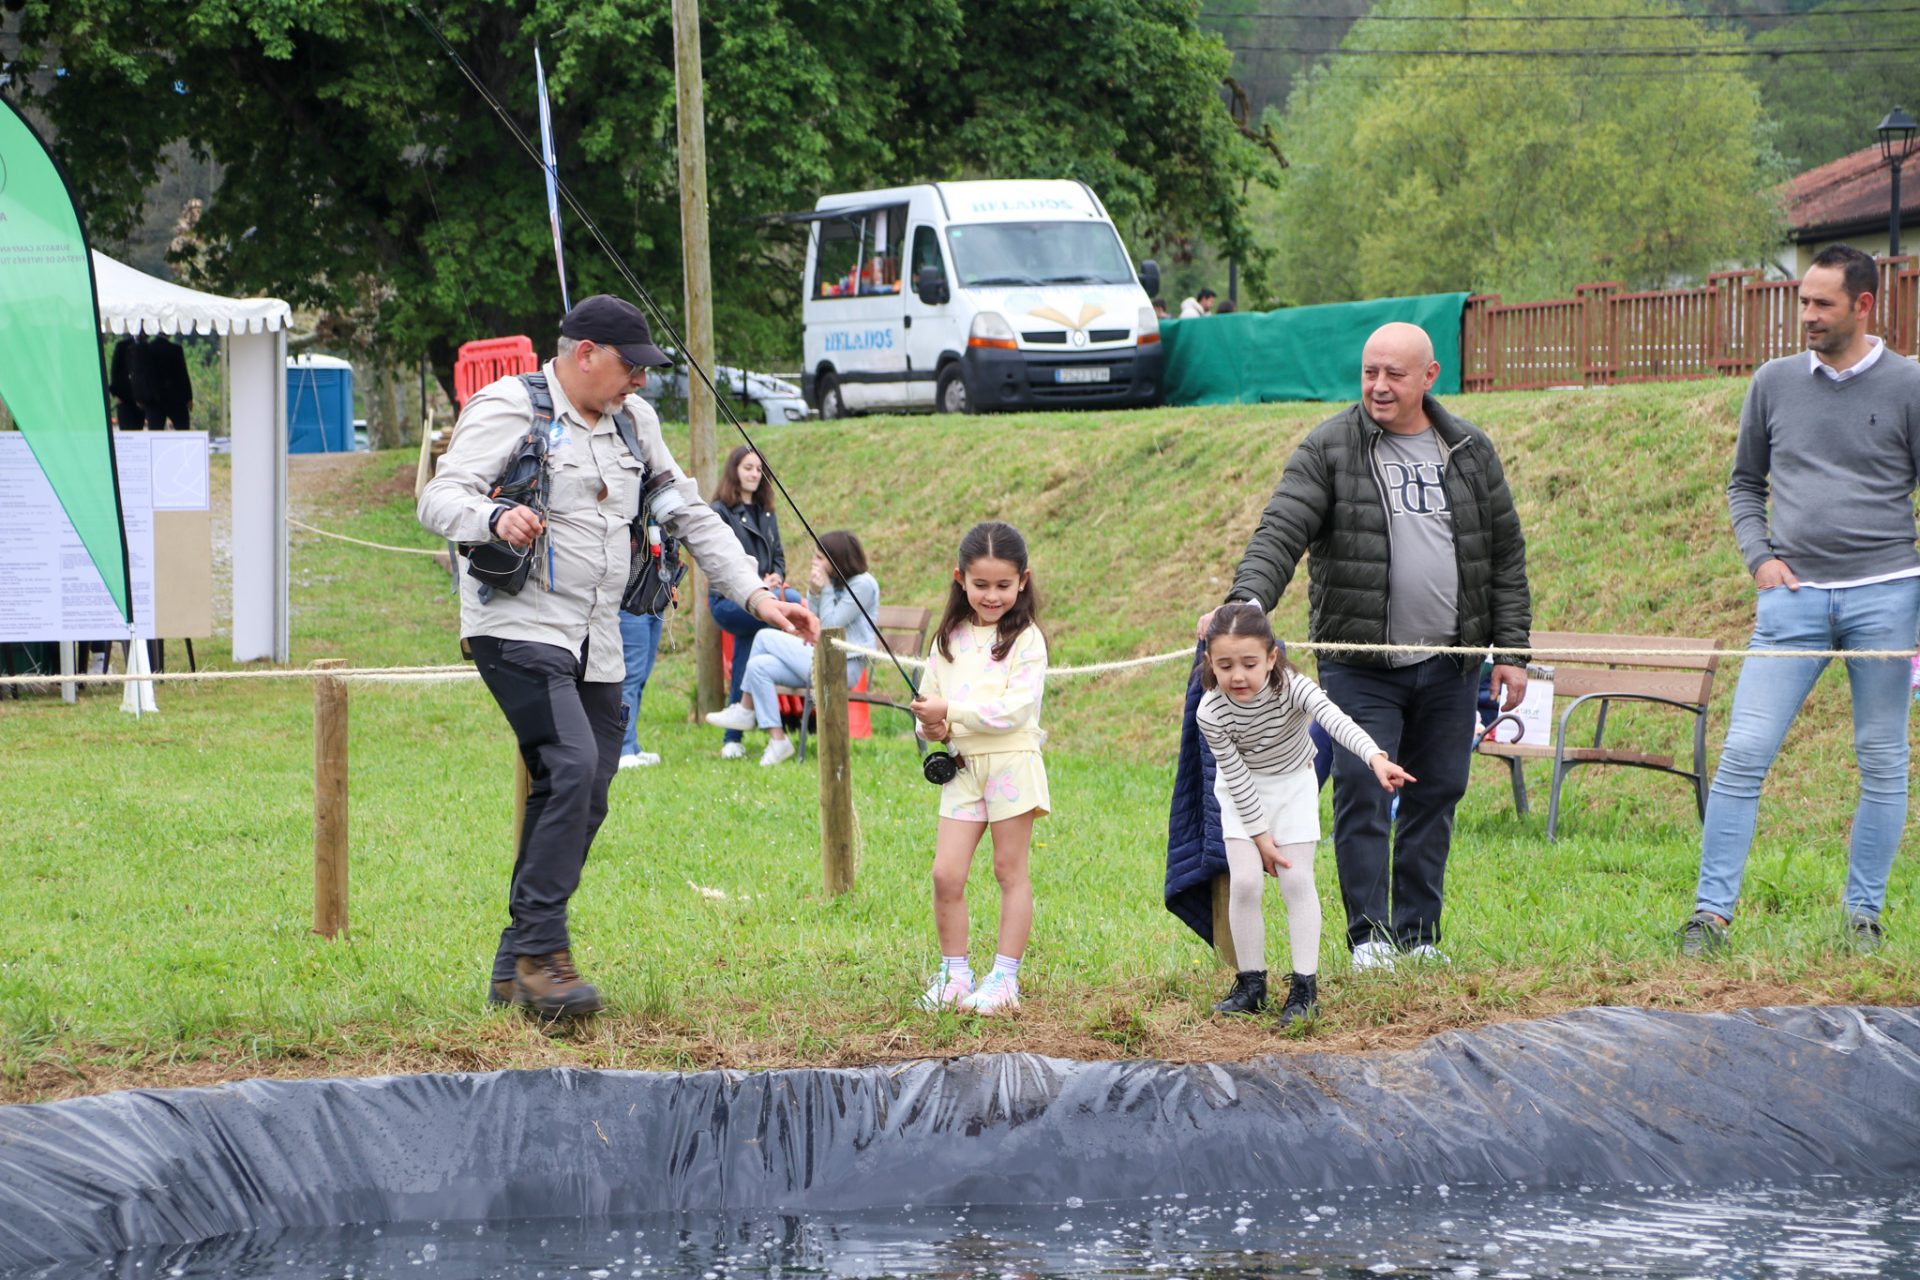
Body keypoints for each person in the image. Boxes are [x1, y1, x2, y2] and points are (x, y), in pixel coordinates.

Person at [418, 294, 817, 1019]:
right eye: (630, 366)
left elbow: (690, 513)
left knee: (586, 787)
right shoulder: (509, 407)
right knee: (567, 765)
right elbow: (438, 497)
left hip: (599, 633)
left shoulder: (637, 422)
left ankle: (514, 967)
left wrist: (760, 599)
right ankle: (544, 956)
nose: (639, 380)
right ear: (585, 354)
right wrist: (494, 516)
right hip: (518, 622)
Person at [1202, 322, 1531, 971]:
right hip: (1360, 663)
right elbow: (1282, 528)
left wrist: (1512, 652)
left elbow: (1504, 557)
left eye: (1394, 374)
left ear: (1429, 377)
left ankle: (1419, 932)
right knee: (1361, 787)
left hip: (1453, 663)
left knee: (1437, 792)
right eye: (1369, 372)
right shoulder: (1330, 447)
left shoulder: (1468, 448)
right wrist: (1246, 604)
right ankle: (1369, 936)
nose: (1379, 386)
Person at [1681, 244, 1920, 958]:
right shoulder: (1773, 382)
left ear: (1864, 305)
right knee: (1744, 753)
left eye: (1822, 303)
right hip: (1791, 604)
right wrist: (1760, 561)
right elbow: (1742, 484)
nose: (1807, 315)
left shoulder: (1910, 384)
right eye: (1803, 302)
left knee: (1882, 759)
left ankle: (1863, 919)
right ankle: (1709, 917)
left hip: (1887, 598)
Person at [1197, 605, 1414, 1025]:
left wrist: (1374, 757)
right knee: (1244, 884)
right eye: (1224, 665)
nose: (1237, 676)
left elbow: (1334, 719)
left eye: (1249, 663)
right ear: (1210, 663)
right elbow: (1236, 778)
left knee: (1297, 882)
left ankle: (1304, 987)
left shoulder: (1293, 687)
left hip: (1294, 786)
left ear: (1272, 657)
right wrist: (1261, 839)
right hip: (1243, 794)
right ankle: (1251, 983)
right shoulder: (1211, 712)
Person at [911, 521, 1048, 1015]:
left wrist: (950, 712)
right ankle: (954, 974)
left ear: (1023, 581)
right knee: (946, 875)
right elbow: (930, 705)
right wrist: (931, 727)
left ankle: (1005, 978)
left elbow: (1014, 710)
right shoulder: (948, 638)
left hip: (1012, 763)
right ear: (960, 578)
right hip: (964, 768)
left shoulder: (1027, 640)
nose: (992, 596)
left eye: (1003, 585)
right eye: (981, 584)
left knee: (1009, 870)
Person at [705, 530, 879, 766]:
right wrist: (816, 592)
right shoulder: (834, 583)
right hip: (821, 659)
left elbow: (828, 627)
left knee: (765, 636)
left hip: (843, 668)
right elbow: (815, 621)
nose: (813, 562)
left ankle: (746, 709)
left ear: (837, 558)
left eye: (819, 557)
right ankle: (778, 741)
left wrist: (823, 590)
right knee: (758, 667)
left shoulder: (863, 584)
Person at [707, 445, 801, 758]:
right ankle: (745, 724)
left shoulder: (767, 511)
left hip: (767, 595)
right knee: (797, 600)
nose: (754, 474)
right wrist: (760, 584)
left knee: (750, 651)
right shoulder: (721, 510)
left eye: (759, 469)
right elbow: (723, 558)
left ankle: (733, 738)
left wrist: (775, 577)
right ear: (734, 470)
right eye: (748, 468)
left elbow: (778, 556)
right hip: (730, 600)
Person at [616, 608, 664, 769]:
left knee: (640, 678)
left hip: (654, 602)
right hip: (630, 604)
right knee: (629, 679)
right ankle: (623, 749)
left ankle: (632, 746)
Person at [139, 333, 193, 430]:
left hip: (153, 399)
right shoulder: (175, 349)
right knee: (183, 430)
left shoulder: (147, 349)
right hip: (175, 398)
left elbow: (143, 376)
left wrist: (142, 397)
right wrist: (188, 398)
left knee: (155, 433)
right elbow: (183, 375)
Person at [108, 335, 147, 430]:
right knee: (126, 433)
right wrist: (117, 394)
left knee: (138, 431)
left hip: (141, 400)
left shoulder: (148, 347)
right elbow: (115, 372)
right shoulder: (122, 346)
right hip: (125, 399)